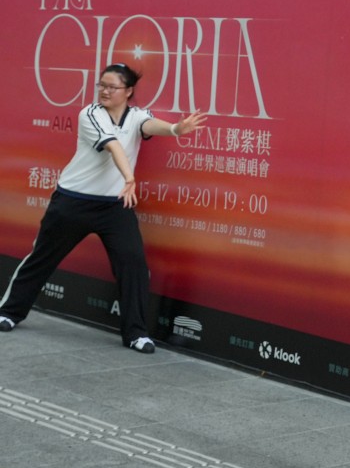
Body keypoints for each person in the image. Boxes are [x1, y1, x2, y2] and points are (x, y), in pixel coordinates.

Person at [0, 63, 207, 353]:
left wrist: (175, 128)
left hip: (114, 207)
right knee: (41, 258)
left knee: (133, 264)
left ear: (129, 91)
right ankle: (9, 312)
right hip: (72, 201)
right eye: (102, 85)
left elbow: (150, 125)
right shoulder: (90, 113)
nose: (105, 91)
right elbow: (113, 147)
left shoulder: (136, 116)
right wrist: (130, 177)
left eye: (112, 87)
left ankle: (136, 334)